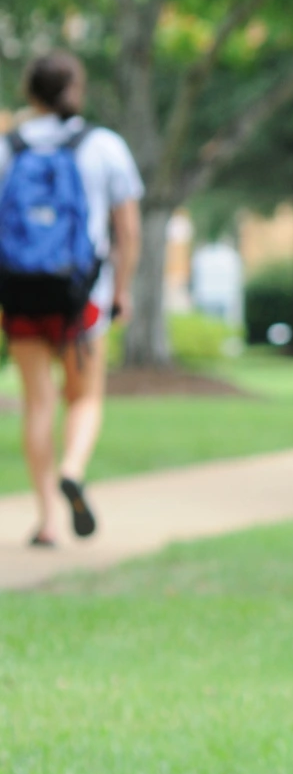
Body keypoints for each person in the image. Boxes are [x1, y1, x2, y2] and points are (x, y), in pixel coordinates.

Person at [0, 52, 143, 548]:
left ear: (29, 91)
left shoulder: (8, 148)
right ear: (76, 89)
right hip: (82, 296)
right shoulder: (104, 147)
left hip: (19, 294)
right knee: (83, 397)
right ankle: (73, 468)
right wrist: (121, 290)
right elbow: (127, 229)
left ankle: (45, 521)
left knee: (37, 403)